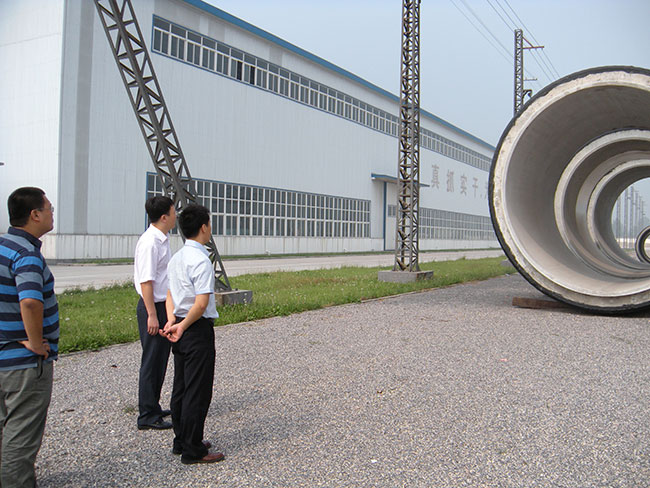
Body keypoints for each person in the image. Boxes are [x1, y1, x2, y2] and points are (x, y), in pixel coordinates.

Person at [0, 187, 59, 487]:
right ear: (35, 215)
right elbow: (31, 302)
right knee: (20, 436)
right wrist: (36, 343)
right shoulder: (26, 255)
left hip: (4, 353)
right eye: (49, 208)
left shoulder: (3, 247)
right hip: (23, 364)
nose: (52, 213)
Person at [161, 204, 224, 464]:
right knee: (197, 390)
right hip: (194, 327)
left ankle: (181, 439)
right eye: (209, 224)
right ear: (204, 227)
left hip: (178, 325)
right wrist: (184, 325)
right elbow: (200, 304)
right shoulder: (201, 260)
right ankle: (193, 449)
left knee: (182, 387)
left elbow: (169, 294)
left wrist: (172, 321)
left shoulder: (177, 258)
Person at [133, 196, 176, 430]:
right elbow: (146, 281)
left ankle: (154, 405)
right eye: (173, 212)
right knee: (151, 361)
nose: (176, 216)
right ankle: (147, 415)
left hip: (161, 305)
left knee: (160, 360)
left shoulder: (162, 239)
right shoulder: (150, 242)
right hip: (152, 306)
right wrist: (152, 314)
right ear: (164, 217)